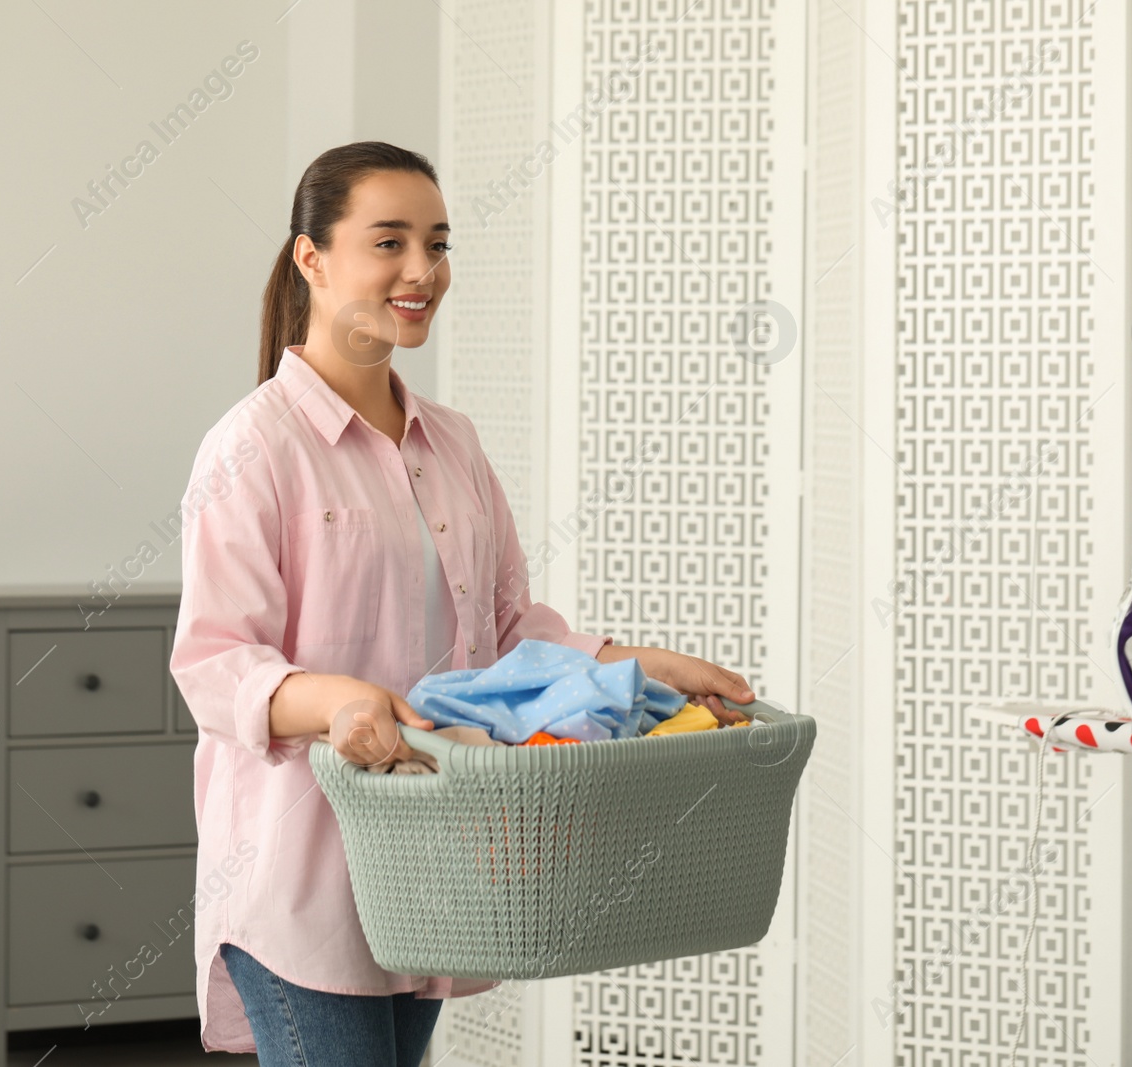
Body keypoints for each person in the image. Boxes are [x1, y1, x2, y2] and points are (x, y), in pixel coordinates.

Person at [169, 141, 756, 1067]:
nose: (422, 271)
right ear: (311, 259)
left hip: (434, 857)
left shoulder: (452, 442)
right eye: (390, 242)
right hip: (301, 865)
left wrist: (645, 669)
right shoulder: (252, 445)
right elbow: (217, 663)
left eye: (437, 244)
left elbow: (514, 635)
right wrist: (341, 702)